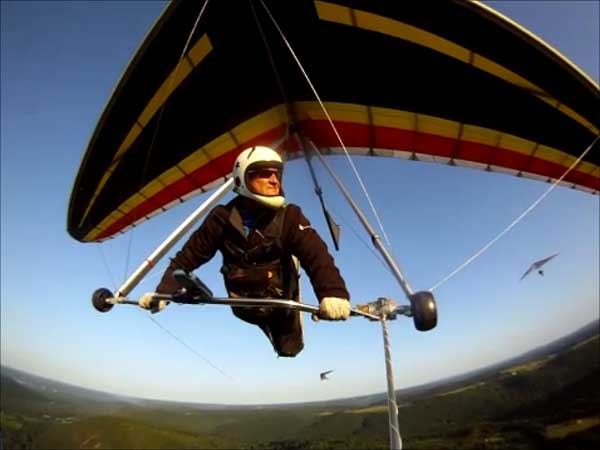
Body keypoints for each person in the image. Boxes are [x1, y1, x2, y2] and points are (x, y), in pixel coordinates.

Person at [139, 145, 351, 357]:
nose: (274, 180)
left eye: (277, 174)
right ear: (243, 179)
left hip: (279, 296)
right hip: (244, 303)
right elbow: (186, 259)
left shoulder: (290, 216)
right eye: (264, 173)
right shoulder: (221, 219)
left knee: (290, 350)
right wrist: (164, 291)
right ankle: (267, 321)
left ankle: (290, 279)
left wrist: (333, 292)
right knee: (253, 316)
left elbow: (316, 255)